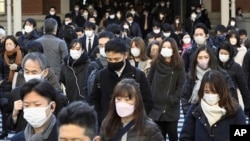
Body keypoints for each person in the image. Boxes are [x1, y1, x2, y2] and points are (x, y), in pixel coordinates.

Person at [88, 38, 153, 128]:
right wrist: (102, 118)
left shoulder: (138, 75)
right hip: (108, 126)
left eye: (116, 59)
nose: (113, 62)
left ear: (125, 55)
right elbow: (94, 100)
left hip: (133, 126)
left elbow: (148, 100)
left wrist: (137, 119)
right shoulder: (101, 75)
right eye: (109, 59)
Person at [7, 52, 67, 133]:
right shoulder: (15, 93)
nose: (30, 75)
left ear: (45, 72)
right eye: (27, 72)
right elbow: (9, 125)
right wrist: (14, 114)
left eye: (34, 72)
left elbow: (63, 125)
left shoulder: (56, 96)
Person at [179, 70, 246, 141]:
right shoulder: (195, 109)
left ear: (222, 91)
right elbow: (185, 137)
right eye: (206, 92)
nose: (210, 95)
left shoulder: (235, 110)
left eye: (214, 91)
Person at [181, 46, 238, 116]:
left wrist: (226, 112)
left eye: (206, 57)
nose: (203, 60)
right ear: (196, 59)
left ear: (210, 58)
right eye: (200, 57)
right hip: (197, 115)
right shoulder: (191, 76)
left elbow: (231, 93)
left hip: (220, 113)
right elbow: (185, 97)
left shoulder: (222, 74)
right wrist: (189, 115)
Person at [148, 38, 185, 141]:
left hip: (171, 108)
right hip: (156, 108)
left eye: (169, 47)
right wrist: (151, 96)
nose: (166, 49)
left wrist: (174, 98)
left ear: (174, 49)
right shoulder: (155, 63)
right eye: (164, 47)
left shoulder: (179, 65)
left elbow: (181, 85)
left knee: (173, 135)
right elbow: (149, 81)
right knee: (159, 137)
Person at [0, 35, 23, 139]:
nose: (8, 46)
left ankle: (16, 128)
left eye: (10, 44)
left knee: (16, 108)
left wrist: (17, 67)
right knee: (4, 107)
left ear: (15, 45)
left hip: (18, 85)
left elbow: (25, 69)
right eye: (6, 44)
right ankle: (5, 130)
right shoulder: (1, 56)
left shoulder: (21, 55)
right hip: (4, 86)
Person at [217, 41, 250, 111]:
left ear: (230, 54)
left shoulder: (236, 67)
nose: (223, 55)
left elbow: (244, 88)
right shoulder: (215, 66)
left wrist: (247, 107)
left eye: (225, 53)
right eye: (221, 53)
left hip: (232, 101)